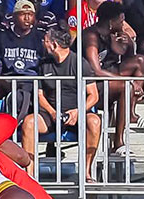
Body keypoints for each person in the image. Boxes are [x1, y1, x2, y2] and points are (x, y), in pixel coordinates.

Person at [24, 26, 101, 181]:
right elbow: (39, 95)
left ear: (54, 45)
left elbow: (94, 95)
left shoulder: (79, 63)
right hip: (50, 113)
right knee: (29, 122)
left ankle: (86, 172)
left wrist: (78, 111)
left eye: (45, 40)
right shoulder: (43, 64)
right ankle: (29, 174)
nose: (43, 43)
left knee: (94, 121)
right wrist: (52, 112)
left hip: (77, 114)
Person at [82, 3, 144, 156]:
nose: (123, 24)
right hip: (90, 84)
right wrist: (130, 82)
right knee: (126, 86)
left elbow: (125, 59)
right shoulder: (91, 36)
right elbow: (96, 70)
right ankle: (118, 143)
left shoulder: (113, 35)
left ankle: (131, 110)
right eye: (121, 21)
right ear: (111, 22)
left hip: (109, 77)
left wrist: (128, 45)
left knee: (140, 60)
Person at [0, 0, 45, 117]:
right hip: (7, 82)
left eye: (30, 14)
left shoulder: (40, 39)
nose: (27, 18)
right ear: (14, 17)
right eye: (23, 14)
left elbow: (43, 67)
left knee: (23, 94)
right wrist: (0, 81)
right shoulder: (1, 38)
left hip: (31, 84)